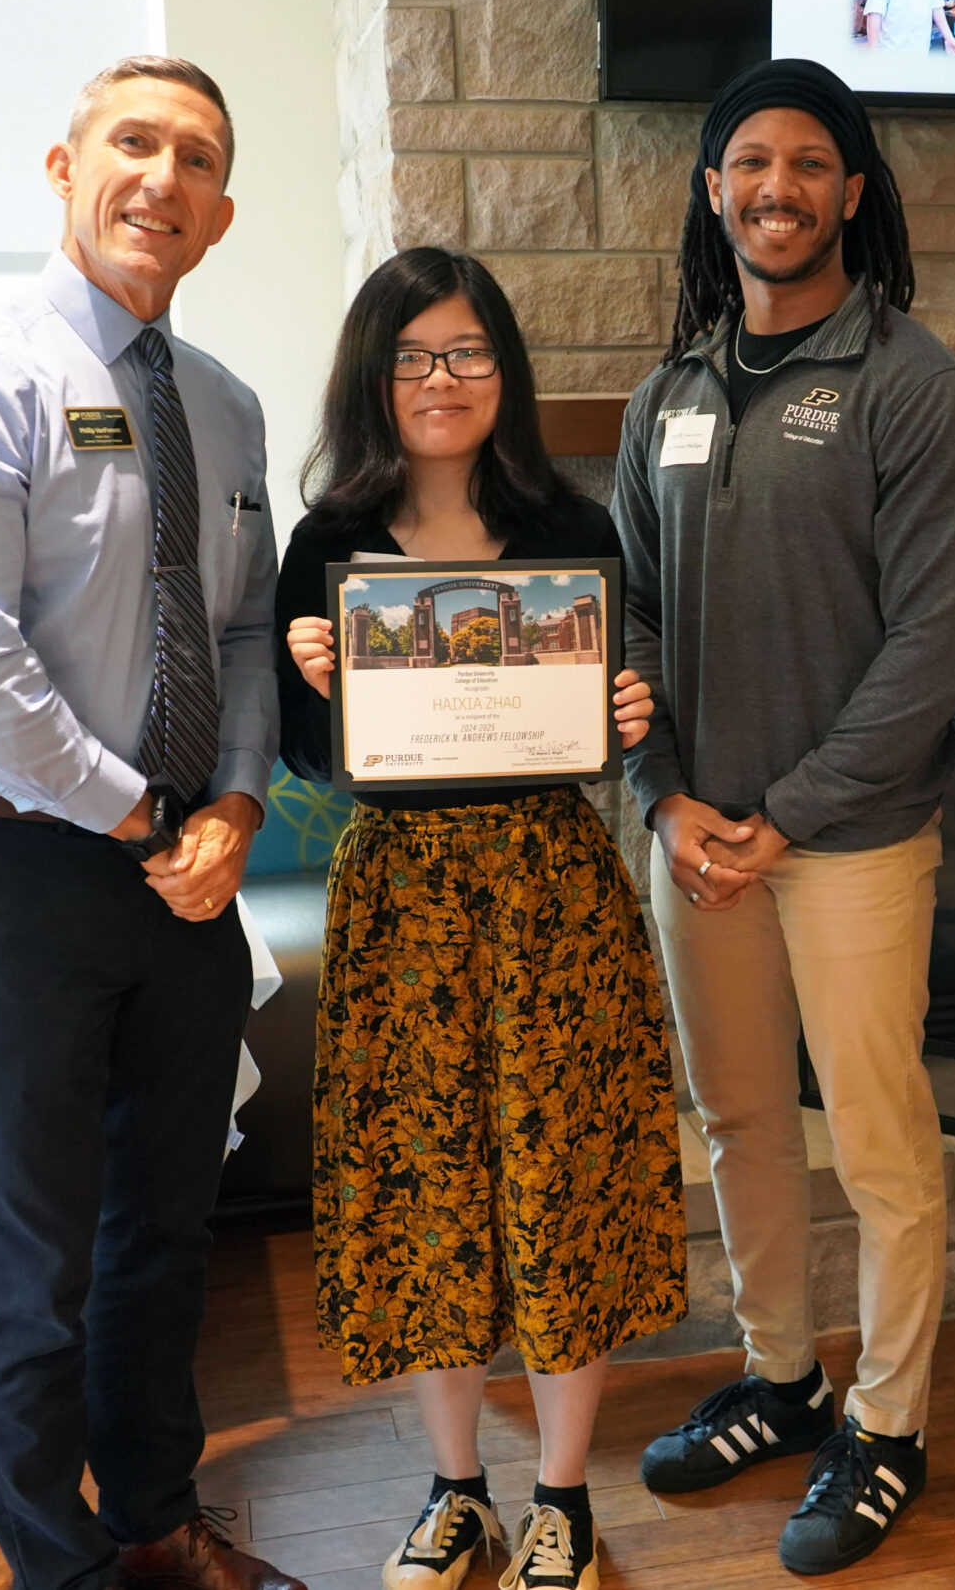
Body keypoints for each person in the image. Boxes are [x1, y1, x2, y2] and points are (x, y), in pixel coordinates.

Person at [0, 56, 302, 1590]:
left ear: (223, 214)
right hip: (13, 870)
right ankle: (55, 1571)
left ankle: (154, 1525)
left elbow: (245, 633)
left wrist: (239, 802)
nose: (162, 178)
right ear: (61, 167)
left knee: (166, 1235)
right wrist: (142, 814)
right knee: (38, 1261)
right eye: (134, 142)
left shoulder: (230, 409)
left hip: (185, 872)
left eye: (196, 158)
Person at [613, 58, 955, 1576]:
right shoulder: (670, 393)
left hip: (847, 845)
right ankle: (783, 1377)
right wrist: (665, 796)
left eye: (808, 162)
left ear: (851, 191)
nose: (776, 186)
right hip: (695, 840)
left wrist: (784, 814)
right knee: (739, 1119)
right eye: (747, 163)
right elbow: (627, 617)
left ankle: (889, 1418)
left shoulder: (916, 383)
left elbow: (939, 642)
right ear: (714, 193)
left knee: (883, 1141)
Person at [278, 247, 687, 1590]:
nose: (440, 380)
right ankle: (457, 1489)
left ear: (502, 372)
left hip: (552, 895)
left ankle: (562, 1493)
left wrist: (631, 715)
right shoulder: (327, 547)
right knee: (426, 1187)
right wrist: (310, 675)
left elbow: (603, 728)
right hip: (401, 895)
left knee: (567, 1180)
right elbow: (303, 754)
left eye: (465, 353)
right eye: (411, 356)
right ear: (372, 378)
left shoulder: (574, 533)